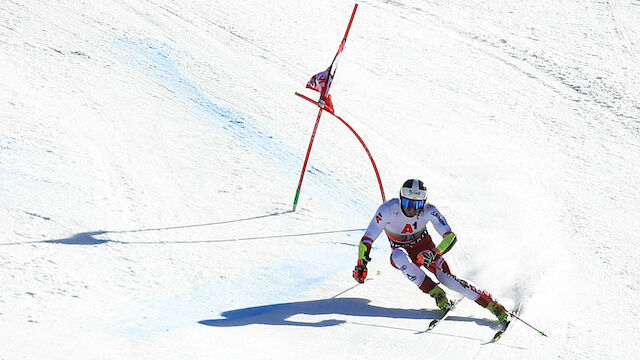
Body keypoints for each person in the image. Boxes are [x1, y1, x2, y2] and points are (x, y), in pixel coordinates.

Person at [352, 179, 508, 325]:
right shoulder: (387, 210)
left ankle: (493, 305)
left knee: (447, 279)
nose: (412, 209)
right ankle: (437, 293)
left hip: (426, 251)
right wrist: (361, 264)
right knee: (397, 256)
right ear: (400, 199)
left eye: (417, 204)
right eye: (407, 203)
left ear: (424, 203)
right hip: (405, 254)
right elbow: (368, 238)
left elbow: (450, 236)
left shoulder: (429, 210)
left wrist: (434, 253)